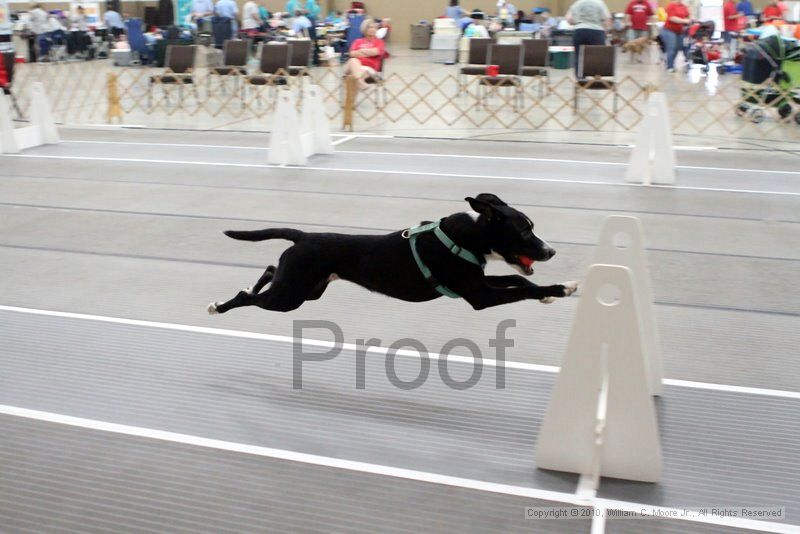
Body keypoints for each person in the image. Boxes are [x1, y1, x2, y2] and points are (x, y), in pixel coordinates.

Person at [566, 0, 611, 77]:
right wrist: (607, 33)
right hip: (597, 31)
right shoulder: (600, 2)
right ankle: (596, 80)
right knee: (598, 57)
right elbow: (607, 20)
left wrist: (578, 21)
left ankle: (581, 81)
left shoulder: (578, 2)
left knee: (579, 56)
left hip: (580, 30)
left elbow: (569, 19)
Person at [344, 18, 385, 89]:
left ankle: (358, 81)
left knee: (352, 77)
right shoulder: (357, 41)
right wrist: (368, 52)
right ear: (365, 29)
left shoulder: (379, 42)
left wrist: (361, 51)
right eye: (370, 27)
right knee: (353, 60)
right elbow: (352, 54)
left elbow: (376, 52)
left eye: (375, 27)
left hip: (369, 69)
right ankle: (360, 81)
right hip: (355, 66)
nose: (373, 29)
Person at [661, 0, 690, 72]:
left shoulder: (684, 7)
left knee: (678, 47)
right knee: (671, 48)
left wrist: (689, 20)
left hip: (679, 31)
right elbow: (672, 18)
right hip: (669, 30)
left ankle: (670, 63)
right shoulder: (671, 5)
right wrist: (685, 21)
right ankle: (669, 66)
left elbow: (688, 16)